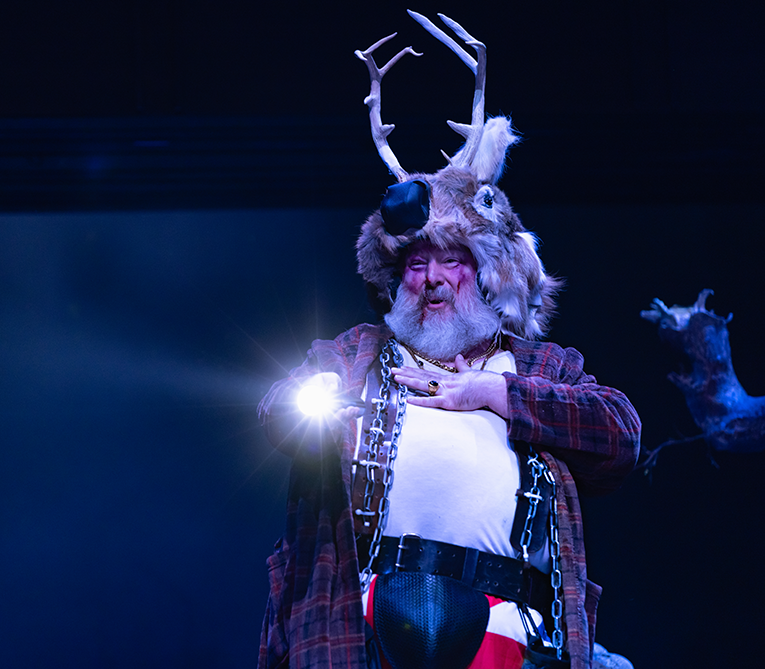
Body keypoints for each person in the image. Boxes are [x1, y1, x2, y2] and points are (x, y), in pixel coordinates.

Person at [256, 13, 641, 669]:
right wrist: (315, 401)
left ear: (487, 266)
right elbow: (277, 413)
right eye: (414, 261)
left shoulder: (539, 365)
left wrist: (490, 392)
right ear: (393, 274)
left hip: (506, 633)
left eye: (451, 258)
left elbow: (620, 435)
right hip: (365, 633)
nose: (432, 278)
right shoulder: (354, 355)